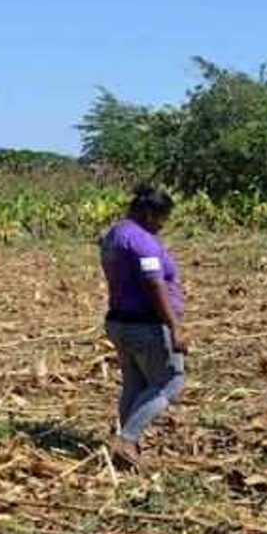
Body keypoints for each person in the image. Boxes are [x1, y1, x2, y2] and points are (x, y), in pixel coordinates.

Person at [100, 184, 187, 469]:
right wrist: (174, 325)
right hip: (146, 325)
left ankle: (127, 450)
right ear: (149, 213)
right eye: (162, 218)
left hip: (119, 321)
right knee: (169, 382)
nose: (162, 225)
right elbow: (153, 282)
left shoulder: (114, 235)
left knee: (135, 384)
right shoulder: (142, 241)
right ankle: (126, 439)